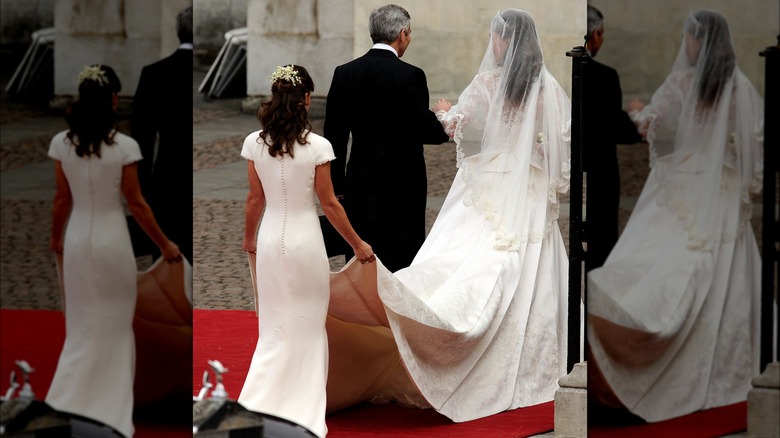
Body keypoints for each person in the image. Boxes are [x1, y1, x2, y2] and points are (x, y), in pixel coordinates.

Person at [324, 9, 571, 422]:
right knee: (522, 261)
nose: (491, 44)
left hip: (473, 180)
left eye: (495, 37)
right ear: (402, 34)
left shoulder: (487, 82)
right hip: (523, 186)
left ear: (504, 41)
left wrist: (445, 112)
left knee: (460, 253)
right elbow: (556, 146)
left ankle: (400, 306)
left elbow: (454, 121)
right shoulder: (547, 88)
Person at [587, 9, 763, 422]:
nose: (685, 45)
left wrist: (636, 111)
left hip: (683, 184)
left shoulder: (682, 82)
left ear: (698, 42)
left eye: (688, 38)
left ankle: (638, 332)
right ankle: (721, 354)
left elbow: (650, 124)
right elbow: (754, 140)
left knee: (661, 258)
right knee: (719, 268)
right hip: (720, 188)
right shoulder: (740, 87)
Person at [238, 64, 374, 438]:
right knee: (308, 326)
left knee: (274, 326)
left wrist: (249, 238)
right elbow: (329, 205)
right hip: (304, 241)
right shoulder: (318, 147)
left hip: (269, 239)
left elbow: (254, 199)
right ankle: (301, 406)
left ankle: (257, 402)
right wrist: (357, 244)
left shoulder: (255, 142)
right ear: (307, 99)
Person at [47, 64, 182, 438]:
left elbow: (61, 199)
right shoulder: (125, 147)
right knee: (115, 326)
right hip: (112, 241)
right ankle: (109, 409)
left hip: (76, 237)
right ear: (112, 100)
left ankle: (65, 403)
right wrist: (165, 243)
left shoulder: (62, 143)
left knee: (80, 325)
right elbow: (136, 205)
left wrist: (56, 238)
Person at [323, 4, 450, 273]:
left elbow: (333, 136)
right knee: (401, 253)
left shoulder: (344, 72)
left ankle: (361, 310)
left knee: (359, 256)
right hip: (403, 179)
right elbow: (425, 130)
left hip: (358, 176)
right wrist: (443, 116)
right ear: (402, 34)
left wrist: (337, 186)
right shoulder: (410, 75)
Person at [131, 5, 193, 263]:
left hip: (167, 173)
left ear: (179, 33)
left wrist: (143, 184)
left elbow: (141, 135)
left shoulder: (154, 73)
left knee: (168, 257)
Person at [583, 5, 642, 271]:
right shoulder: (605, 76)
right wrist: (637, 120)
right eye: (601, 34)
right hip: (600, 171)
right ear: (594, 35)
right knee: (602, 238)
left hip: (567, 167)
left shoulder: (557, 75)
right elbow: (618, 128)